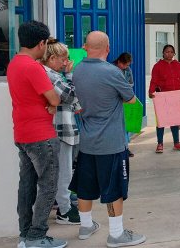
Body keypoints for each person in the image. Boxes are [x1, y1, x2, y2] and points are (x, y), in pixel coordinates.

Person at [70, 31, 146, 247]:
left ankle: (85, 226)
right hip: (111, 143)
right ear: (108, 48)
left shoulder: (78, 70)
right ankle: (116, 234)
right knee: (114, 189)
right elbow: (131, 99)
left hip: (87, 141)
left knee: (85, 187)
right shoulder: (112, 72)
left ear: (86, 47)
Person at [6, 21, 67, 248]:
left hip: (22, 133)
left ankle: (25, 234)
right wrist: (52, 105)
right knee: (48, 186)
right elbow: (54, 98)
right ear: (41, 43)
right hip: (41, 135)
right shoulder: (33, 67)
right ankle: (37, 236)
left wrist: (50, 104)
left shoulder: (13, 64)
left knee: (27, 185)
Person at [40, 38, 81, 225]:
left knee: (62, 170)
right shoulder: (52, 76)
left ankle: (60, 202)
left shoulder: (53, 74)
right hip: (61, 129)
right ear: (51, 58)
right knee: (64, 172)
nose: (66, 63)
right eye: (63, 59)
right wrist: (70, 75)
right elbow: (70, 95)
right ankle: (65, 211)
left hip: (62, 127)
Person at [149, 44, 180, 153]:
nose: (169, 53)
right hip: (162, 97)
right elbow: (154, 80)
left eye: (171, 52)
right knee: (161, 121)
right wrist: (151, 92)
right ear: (163, 53)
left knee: (175, 121)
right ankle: (160, 144)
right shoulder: (157, 66)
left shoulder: (179, 65)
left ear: (174, 54)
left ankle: (176, 143)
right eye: (167, 52)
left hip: (176, 97)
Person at [113, 52, 135, 157]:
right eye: (125, 65)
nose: (126, 67)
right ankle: (118, 148)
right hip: (114, 100)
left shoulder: (127, 70)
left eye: (128, 65)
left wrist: (125, 88)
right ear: (119, 62)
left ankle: (126, 147)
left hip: (124, 99)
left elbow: (131, 83)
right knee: (116, 125)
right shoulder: (111, 69)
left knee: (125, 125)